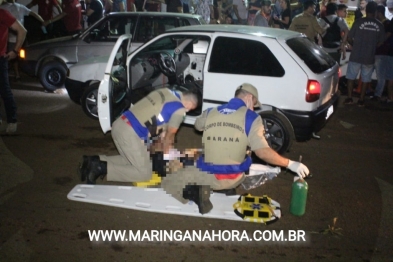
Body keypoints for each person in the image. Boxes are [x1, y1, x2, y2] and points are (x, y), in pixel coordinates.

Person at [161, 83, 310, 214]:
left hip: (208, 175)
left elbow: (198, 126)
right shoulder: (252, 118)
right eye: (254, 103)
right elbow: (262, 152)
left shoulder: (211, 111)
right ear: (249, 98)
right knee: (242, 152)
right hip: (235, 177)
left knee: (168, 181)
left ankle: (196, 191)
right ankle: (226, 187)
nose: (254, 108)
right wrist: (290, 164)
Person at [79, 88, 199, 184]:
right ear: (189, 104)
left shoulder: (165, 91)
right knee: (144, 173)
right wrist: (166, 154)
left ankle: (92, 161)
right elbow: (170, 136)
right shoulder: (179, 110)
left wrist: (152, 143)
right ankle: (100, 168)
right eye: (190, 109)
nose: (187, 111)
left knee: (130, 160)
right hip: (129, 133)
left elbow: (155, 118)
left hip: (119, 124)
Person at [344, 1, 385, 107]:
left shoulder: (358, 22)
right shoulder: (379, 25)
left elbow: (349, 37)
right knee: (366, 79)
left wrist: (354, 45)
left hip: (356, 55)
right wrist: (373, 47)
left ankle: (349, 98)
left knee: (351, 77)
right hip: (369, 57)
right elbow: (382, 41)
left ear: (366, 10)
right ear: (375, 11)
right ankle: (361, 100)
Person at [0, 0, 44, 81]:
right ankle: (16, 73)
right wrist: (43, 22)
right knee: (14, 56)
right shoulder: (19, 7)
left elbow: (33, 13)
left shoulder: (7, 8)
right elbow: (34, 14)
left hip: (14, 37)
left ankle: (16, 73)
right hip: (18, 37)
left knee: (13, 56)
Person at [0, 5, 26, 134]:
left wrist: (15, 51)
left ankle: (12, 121)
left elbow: (22, 30)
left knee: (4, 90)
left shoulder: (2, 14)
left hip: (0, 59)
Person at [373, 4, 393, 101]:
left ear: (379, 13)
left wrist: (378, 44)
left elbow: (386, 36)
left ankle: (378, 94)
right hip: (388, 53)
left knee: (381, 75)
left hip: (382, 53)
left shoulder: (385, 24)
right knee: (387, 76)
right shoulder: (386, 23)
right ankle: (387, 96)